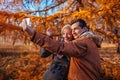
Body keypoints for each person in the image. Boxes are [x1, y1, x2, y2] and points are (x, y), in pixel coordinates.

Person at [22, 19, 101, 80]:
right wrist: (49, 37)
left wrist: (33, 34)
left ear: (84, 29)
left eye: (75, 29)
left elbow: (61, 47)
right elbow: (44, 53)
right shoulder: (89, 41)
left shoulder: (82, 43)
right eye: (72, 30)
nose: (73, 32)